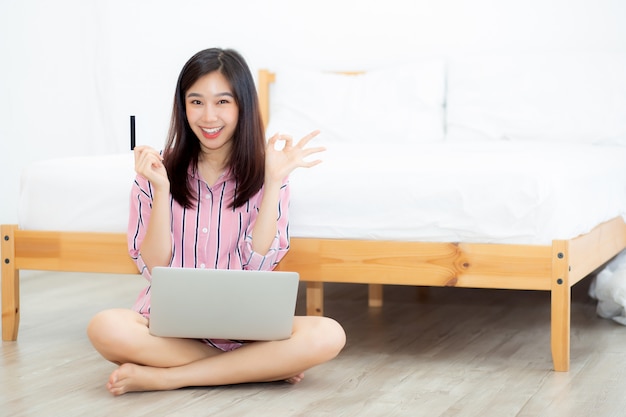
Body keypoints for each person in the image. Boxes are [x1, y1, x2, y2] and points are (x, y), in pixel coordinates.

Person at [87, 48, 346, 396]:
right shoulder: (153, 173)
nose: (209, 116)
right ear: (183, 107)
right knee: (105, 327)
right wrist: (162, 190)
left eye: (222, 102)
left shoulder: (270, 172)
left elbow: (259, 265)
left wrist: (272, 184)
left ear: (242, 106)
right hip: (168, 327)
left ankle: (171, 376)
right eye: (196, 102)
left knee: (329, 334)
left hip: (246, 328)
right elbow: (153, 266)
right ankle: (258, 365)